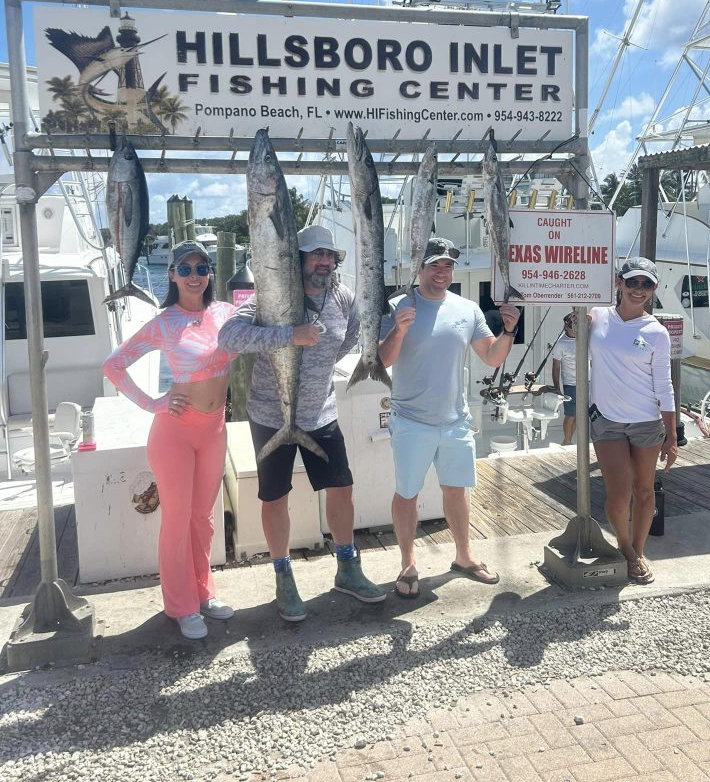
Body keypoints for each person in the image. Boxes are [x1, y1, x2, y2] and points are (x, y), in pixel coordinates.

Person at [218, 224, 385, 622]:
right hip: (270, 415)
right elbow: (229, 337)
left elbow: (350, 338)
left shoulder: (342, 297)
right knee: (274, 497)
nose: (324, 261)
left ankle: (347, 566)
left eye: (329, 254)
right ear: (298, 261)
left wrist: (319, 366)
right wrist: (289, 335)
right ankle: (283, 575)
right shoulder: (270, 299)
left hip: (320, 414)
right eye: (316, 254)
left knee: (342, 489)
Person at [103, 242, 237, 640]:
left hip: (214, 429)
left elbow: (264, 331)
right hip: (175, 433)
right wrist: (152, 403)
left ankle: (203, 591)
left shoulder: (227, 313)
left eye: (202, 267)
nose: (195, 274)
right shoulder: (165, 322)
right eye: (186, 267)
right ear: (173, 275)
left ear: (210, 274)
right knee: (176, 521)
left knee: (204, 518)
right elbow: (114, 365)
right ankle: (180, 606)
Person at [379, 237, 521, 598]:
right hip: (410, 419)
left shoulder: (467, 308)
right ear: (420, 268)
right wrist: (398, 329)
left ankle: (464, 556)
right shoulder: (397, 305)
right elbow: (382, 361)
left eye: (447, 266)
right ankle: (408, 563)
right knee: (407, 492)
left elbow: (491, 357)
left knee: (456, 490)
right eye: (434, 265)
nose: (441, 272)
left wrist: (508, 331)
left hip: (456, 420)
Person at [588, 257, 677, 585]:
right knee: (618, 492)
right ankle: (626, 549)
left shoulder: (657, 332)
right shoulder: (596, 316)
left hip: (646, 423)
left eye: (646, 284)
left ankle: (639, 550)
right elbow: (570, 343)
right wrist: (572, 328)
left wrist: (672, 434)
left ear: (652, 290)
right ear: (618, 283)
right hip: (607, 420)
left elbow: (664, 385)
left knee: (644, 489)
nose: (638, 290)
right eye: (633, 282)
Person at [550, 313, 578, 445]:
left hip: (588, 382)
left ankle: (570, 440)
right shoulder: (561, 344)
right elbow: (556, 367)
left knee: (580, 415)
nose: (575, 327)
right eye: (572, 324)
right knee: (571, 415)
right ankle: (566, 441)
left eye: (577, 324)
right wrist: (557, 388)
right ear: (566, 326)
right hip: (571, 384)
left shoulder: (585, 337)